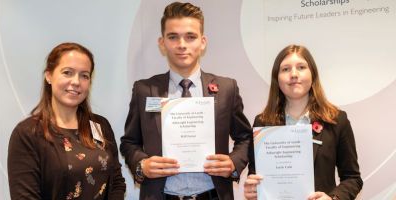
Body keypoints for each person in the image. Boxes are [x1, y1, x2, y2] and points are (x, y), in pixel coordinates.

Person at [120, 2, 252, 200]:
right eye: (173, 37)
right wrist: (142, 165)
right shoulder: (144, 90)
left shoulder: (226, 89)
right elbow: (129, 142)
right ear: (162, 43)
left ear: (203, 42)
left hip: (213, 195)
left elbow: (245, 137)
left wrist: (233, 163)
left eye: (190, 37)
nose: (182, 44)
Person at [8, 42, 126, 199]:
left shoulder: (99, 125)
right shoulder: (28, 133)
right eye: (67, 73)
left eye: (84, 75)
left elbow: (116, 181)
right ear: (49, 76)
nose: (76, 82)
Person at [244, 45, 363, 200]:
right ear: (276, 79)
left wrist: (334, 198)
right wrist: (252, 189)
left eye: (301, 67)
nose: (294, 74)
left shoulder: (336, 120)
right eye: (285, 69)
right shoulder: (262, 123)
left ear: (312, 74)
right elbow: (255, 174)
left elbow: (353, 178)